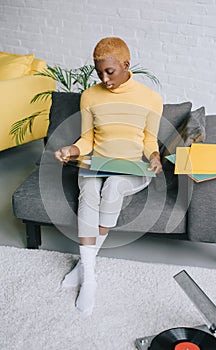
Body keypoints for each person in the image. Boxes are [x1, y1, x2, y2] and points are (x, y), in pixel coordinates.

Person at [54, 37, 163, 316]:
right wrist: (72, 149)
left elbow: (150, 140)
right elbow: (88, 137)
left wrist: (154, 156)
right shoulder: (90, 96)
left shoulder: (151, 99)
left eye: (110, 72)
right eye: (98, 72)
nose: (104, 78)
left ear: (126, 65)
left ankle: (84, 265)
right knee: (89, 192)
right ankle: (90, 277)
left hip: (132, 168)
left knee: (113, 187)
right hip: (96, 163)